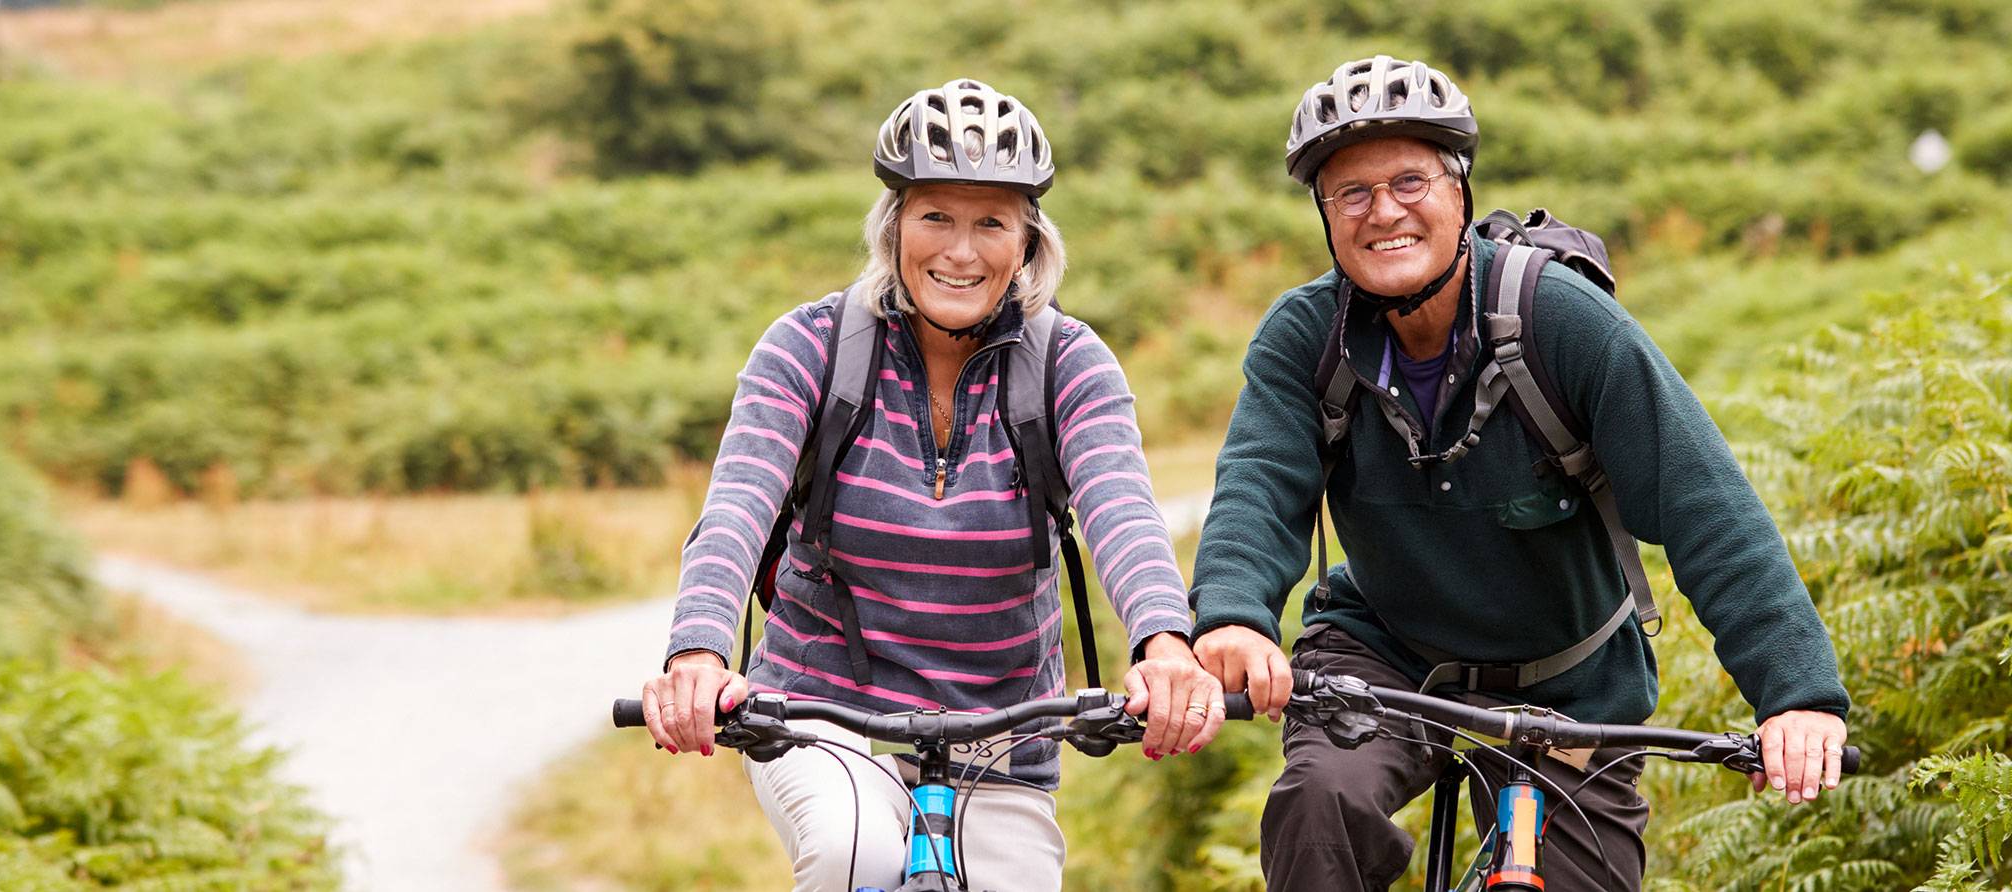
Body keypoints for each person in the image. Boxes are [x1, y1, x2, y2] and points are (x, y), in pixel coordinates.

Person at [1188, 56, 1851, 891]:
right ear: (1324, 215)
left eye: (1409, 180)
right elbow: (1258, 485)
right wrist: (1234, 617)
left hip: (1571, 680)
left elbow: (1704, 504)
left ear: (1460, 189)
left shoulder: (1559, 318)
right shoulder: (1305, 337)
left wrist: (1796, 694)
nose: (1382, 211)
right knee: (1320, 804)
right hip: (1388, 656)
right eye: (1350, 193)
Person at [639, 78, 1222, 891]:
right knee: (859, 858)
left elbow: (1121, 509)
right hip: (823, 711)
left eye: (991, 223)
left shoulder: (1068, 364)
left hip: (1001, 730)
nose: (960, 250)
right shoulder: (810, 346)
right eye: (935, 217)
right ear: (894, 227)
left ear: (1028, 242)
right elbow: (737, 505)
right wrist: (698, 651)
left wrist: (1166, 646)